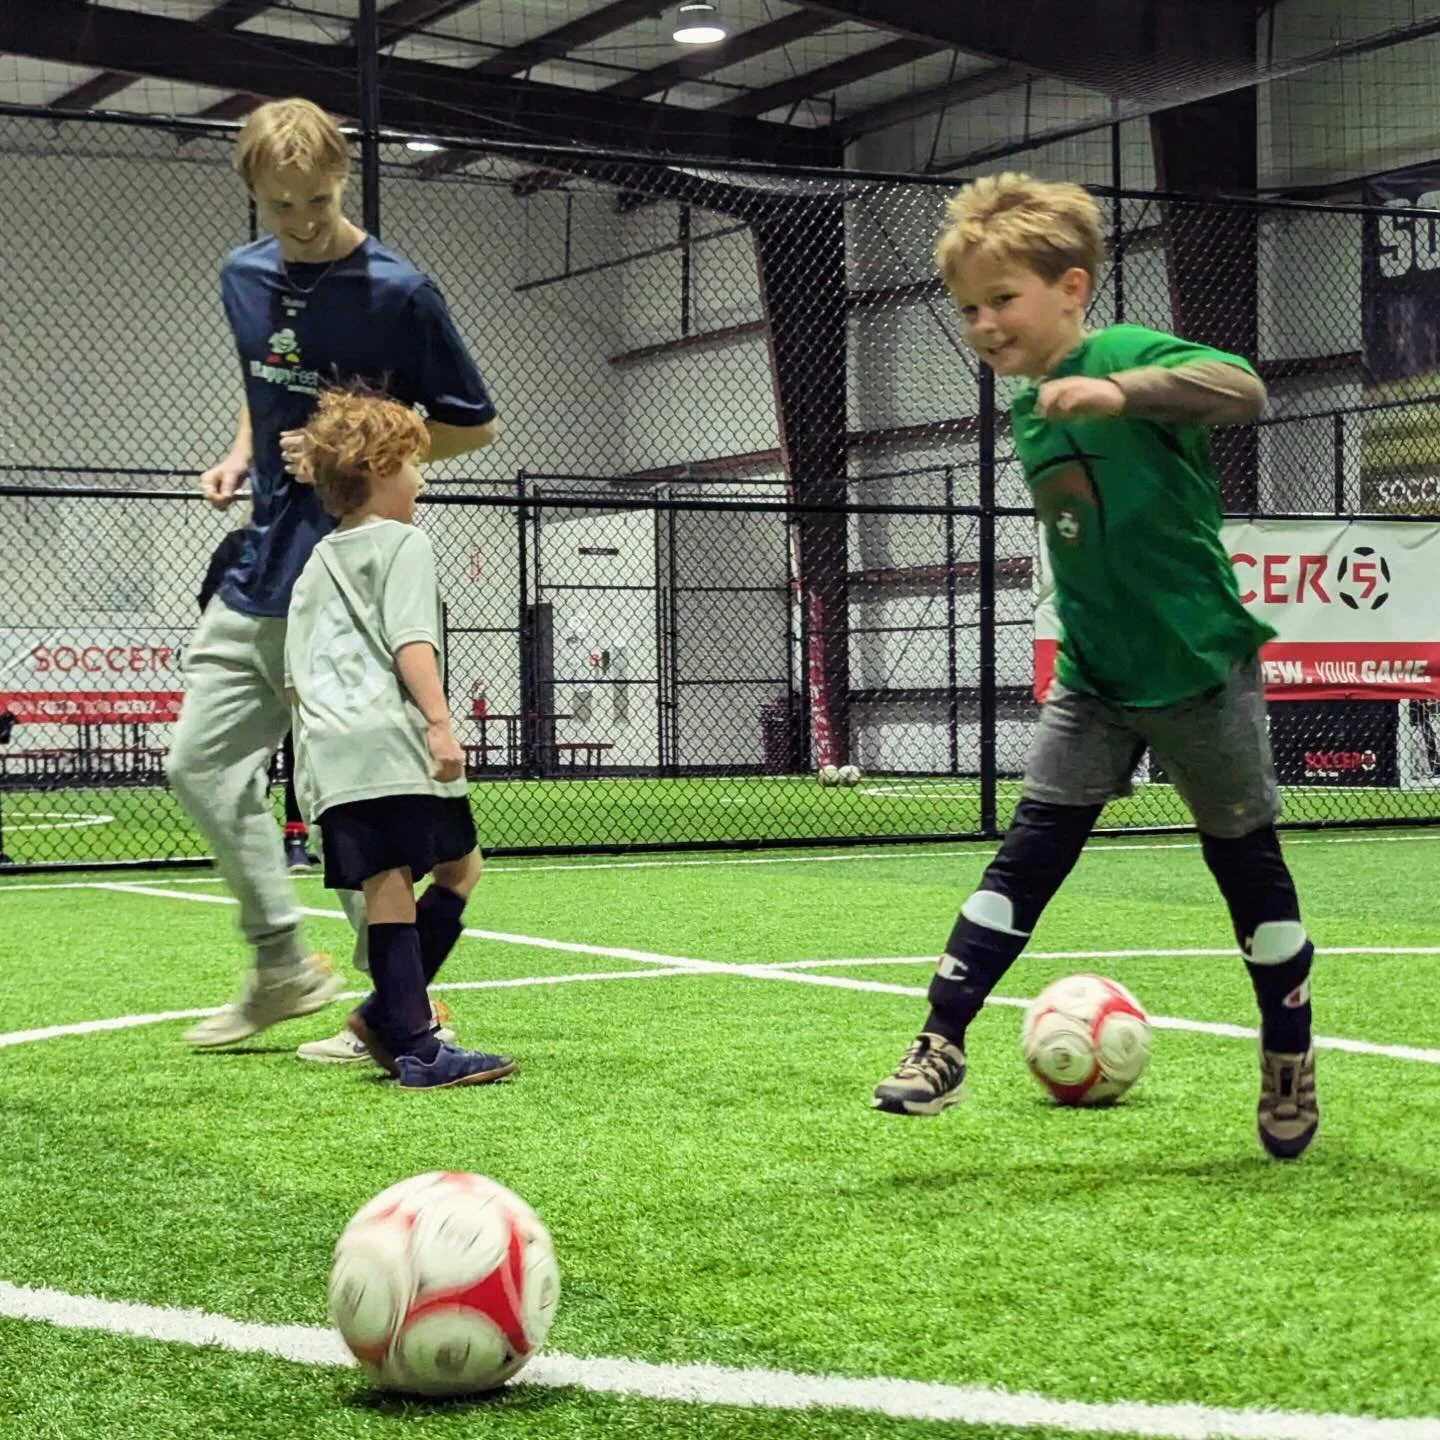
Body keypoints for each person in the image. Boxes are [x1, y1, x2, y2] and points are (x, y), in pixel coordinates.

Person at [871, 173, 1319, 1160]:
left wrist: (1122, 392)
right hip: (1094, 678)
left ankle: (1288, 1051)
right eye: (969, 310)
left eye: (1003, 299)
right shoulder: (1029, 409)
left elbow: (1243, 389)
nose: (985, 324)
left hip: (1197, 666)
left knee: (1245, 864)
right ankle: (941, 1041)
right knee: (1029, 854)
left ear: (1072, 287)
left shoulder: (1120, 355)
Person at [168, 97, 499, 1053]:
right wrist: (241, 452)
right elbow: (264, 377)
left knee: (358, 806)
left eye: (318, 199)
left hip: (351, 584)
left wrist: (348, 451)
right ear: (253, 194)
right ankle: (281, 962)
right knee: (196, 764)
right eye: (283, 206)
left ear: (342, 180)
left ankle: (400, 1009)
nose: (304, 221)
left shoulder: (399, 291)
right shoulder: (241, 276)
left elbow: (474, 424)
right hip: (261, 571)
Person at [286, 387, 514, 1090]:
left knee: (397, 879)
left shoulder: (316, 562)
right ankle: (409, 1038)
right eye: (414, 464)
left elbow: (294, 673)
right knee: (455, 872)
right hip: (391, 739)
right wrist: (440, 723)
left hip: (332, 748)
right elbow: (412, 639)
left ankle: (394, 1019)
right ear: (378, 467)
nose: (422, 479)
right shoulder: (404, 542)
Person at [197, 522, 317, 873]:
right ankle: (250, 842)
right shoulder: (238, 545)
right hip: (250, 664)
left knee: (302, 748)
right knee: (247, 754)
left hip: (298, 659)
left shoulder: (310, 545)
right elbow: (209, 595)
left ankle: (296, 838)